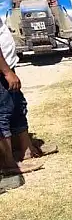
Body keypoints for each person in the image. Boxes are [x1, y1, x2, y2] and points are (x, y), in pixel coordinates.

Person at [0, 20, 45, 175]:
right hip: (2, 72)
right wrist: (6, 72)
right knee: (3, 115)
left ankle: (27, 149)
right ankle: (8, 162)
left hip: (7, 67)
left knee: (18, 107)